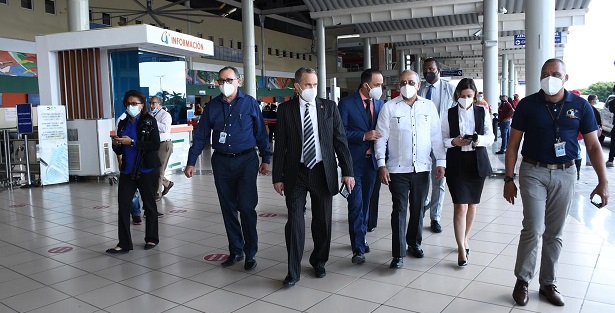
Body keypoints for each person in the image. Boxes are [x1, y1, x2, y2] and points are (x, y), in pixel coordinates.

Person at [504, 59, 609, 307]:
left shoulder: (581, 106)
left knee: (555, 232)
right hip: (533, 171)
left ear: (566, 77)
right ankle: (522, 280)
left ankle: (548, 283)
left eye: (555, 73)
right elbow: (513, 144)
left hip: (566, 172)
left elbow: (594, 146)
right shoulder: (528, 105)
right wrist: (509, 178)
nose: (549, 77)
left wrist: (603, 182)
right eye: (545, 74)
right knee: (533, 227)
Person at [272, 67, 354, 286]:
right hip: (295, 172)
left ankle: (319, 261)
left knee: (322, 222)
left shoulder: (329, 107)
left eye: (315, 85)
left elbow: (340, 141)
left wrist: (348, 172)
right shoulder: (285, 110)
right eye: (308, 85)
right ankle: (293, 270)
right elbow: (280, 146)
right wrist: (276, 176)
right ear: (297, 86)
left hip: (321, 170)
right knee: (295, 222)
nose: (312, 89)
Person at [185, 66, 271, 271]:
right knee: (228, 208)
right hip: (221, 162)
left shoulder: (249, 103)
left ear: (238, 81)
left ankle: (251, 252)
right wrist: (191, 161)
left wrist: (266, 158)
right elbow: (201, 135)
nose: (225, 84)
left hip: (246, 160)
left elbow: (261, 133)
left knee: (247, 208)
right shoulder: (212, 106)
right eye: (221, 81)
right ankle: (236, 250)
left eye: (229, 80)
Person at [375, 70, 446, 268]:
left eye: (411, 82)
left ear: (419, 85)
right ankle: (398, 254)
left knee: (418, 209)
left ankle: (414, 243)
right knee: (399, 209)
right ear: (398, 86)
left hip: (422, 168)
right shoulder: (389, 108)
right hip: (397, 169)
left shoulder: (428, 106)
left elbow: (436, 138)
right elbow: (381, 139)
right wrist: (381, 164)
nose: (407, 85)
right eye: (403, 82)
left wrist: (441, 162)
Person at [441, 78, 494, 267]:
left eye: (469, 96)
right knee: (460, 206)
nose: (466, 99)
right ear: (457, 95)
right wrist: (454, 142)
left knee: (472, 205)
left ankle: (465, 238)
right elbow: (442, 139)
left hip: (476, 162)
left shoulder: (482, 111)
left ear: (475, 95)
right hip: (457, 163)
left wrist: (478, 140)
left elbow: (491, 137)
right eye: (462, 96)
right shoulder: (448, 113)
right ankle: (461, 250)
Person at [338, 68, 384, 264]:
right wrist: (363, 136)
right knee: (355, 205)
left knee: (366, 203)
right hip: (353, 163)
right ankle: (358, 249)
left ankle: (361, 236)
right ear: (366, 85)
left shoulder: (381, 104)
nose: (380, 88)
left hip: (372, 164)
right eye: (377, 85)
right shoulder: (347, 104)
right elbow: (340, 133)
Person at [107, 90, 161, 254]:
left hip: (146, 169)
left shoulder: (149, 122)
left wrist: (133, 142)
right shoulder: (123, 123)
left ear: (142, 105)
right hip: (127, 170)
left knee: (149, 205)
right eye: (128, 103)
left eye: (134, 103)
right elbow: (118, 149)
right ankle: (124, 243)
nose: (131, 106)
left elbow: (154, 145)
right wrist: (117, 144)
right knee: (123, 206)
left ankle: (151, 238)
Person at [418, 57, 455, 234]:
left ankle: (435, 217)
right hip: (422, 143)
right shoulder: (420, 89)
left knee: (439, 181)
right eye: (425, 69)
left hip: (441, 142)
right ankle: (422, 208)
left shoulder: (449, 89)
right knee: (422, 180)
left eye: (431, 69)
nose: (428, 72)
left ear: (439, 70)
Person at [149, 96, 174, 201]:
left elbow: (165, 128)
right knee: (153, 170)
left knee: (160, 169)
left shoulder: (165, 115)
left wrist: (153, 122)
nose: (152, 105)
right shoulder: (151, 115)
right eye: (150, 103)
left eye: (154, 103)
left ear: (159, 104)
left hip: (164, 144)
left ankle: (157, 193)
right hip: (154, 145)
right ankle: (167, 183)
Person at [606, 85, 615, 167]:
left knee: (613, 144)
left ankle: (611, 160)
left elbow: (611, 110)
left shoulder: (612, 102)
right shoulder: (612, 102)